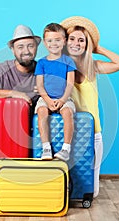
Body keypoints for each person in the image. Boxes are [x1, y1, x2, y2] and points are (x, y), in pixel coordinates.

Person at [61, 16, 119, 197]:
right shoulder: (59, 67)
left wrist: (97, 48)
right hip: (67, 133)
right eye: (72, 39)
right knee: (66, 182)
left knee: (92, 192)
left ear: (87, 44)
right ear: (66, 42)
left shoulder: (94, 66)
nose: (76, 43)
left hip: (93, 132)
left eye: (81, 40)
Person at [35, 23, 76, 161]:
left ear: (64, 41)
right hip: (46, 98)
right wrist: (47, 100)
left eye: (57, 40)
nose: (54, 43)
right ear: (45, 42)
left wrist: (63, 100)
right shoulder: (41, 63)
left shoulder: (68, 61)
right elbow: (40, 85)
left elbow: (70, 84)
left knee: (67, 113)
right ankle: (46, 147)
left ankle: (66, 149)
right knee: (41, 112)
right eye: (50, 40)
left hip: (64, 97)